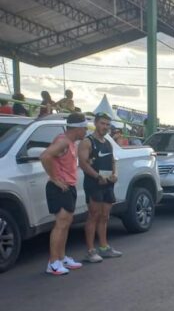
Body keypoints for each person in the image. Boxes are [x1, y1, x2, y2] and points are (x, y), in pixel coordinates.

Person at [39, 113, 87, 275]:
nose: (86, 131)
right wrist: (55, 179)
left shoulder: (70, 142)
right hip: (60, 188)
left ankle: (61, 257)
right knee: (60, 224)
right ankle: (53, 263)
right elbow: (45, 156)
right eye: (85, 128)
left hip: (68, 187)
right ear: (78, 128)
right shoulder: (63, 141)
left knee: (66, 223)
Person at [79, 113, 123, 263]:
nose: (105, 127)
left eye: (107, 124)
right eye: (102, 123)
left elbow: (113, 161)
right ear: (96, 123)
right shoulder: (87, 142)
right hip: (94, 184)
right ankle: (90, 251)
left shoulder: (108, 142)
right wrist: (97, 177)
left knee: (105, 216)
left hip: (108, 184)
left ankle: (104, 248)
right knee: (94, 215)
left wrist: (115, 174)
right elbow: (83, 164)